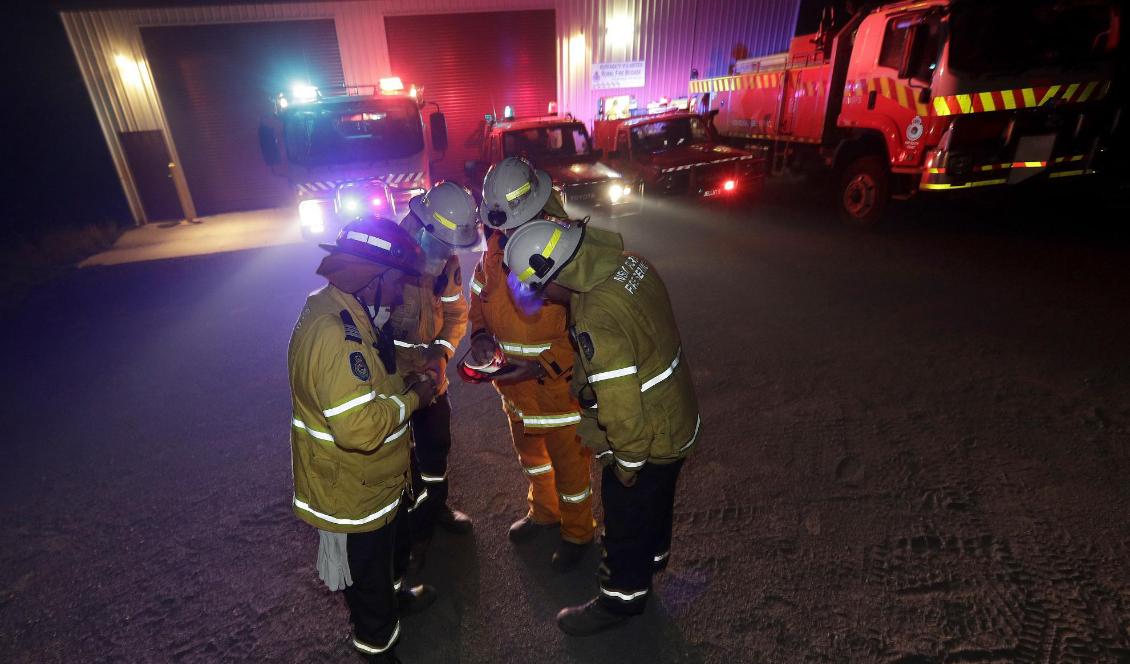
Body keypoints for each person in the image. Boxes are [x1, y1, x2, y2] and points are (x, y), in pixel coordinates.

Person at [502, 219, 702, 636]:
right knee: (658, 497)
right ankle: (652, 558)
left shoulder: (594, 314)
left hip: (648, 435)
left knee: (628, 508)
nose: (546, 299)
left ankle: (621, 600)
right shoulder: (630, 263)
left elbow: (622, 407)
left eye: (540, 288)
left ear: (553, 275)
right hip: (676, 415)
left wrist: (626, 466)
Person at [288, 217, 440, 662]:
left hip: (374, 484)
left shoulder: (349, 310)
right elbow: (358, 428)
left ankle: (395, 602)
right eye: (396, 283)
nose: (399, 294)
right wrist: (416, 399)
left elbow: (372, 372)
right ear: (371, 278)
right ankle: (378, 646)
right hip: (352, 493)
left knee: (389, 563)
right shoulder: (336, 334)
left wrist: (410, 370)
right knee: (369, 589)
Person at [467, 156, 596, 570]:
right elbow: (478, 304)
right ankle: (544, 512)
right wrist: (481, 337)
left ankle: (578, 532)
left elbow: (586, 328)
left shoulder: (566, 251)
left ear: (541, 207)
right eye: (502, 225)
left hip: (558, 393)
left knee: (570, 470)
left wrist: (542, 367)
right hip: (515, 391)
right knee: (532, 458)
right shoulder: (491, 253)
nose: (507, 233)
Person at [390, 182, 481, 571]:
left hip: (431, 372)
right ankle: (408, 534)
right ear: (421, 226)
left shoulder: (446, 264)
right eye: (442, 245)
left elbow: (456, 315)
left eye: (451, 248)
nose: (446, 255)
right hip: (389, 376)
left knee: (435, 445)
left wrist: (441, 356)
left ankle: (436, 508)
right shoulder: (385, 258)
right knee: (395, 460)